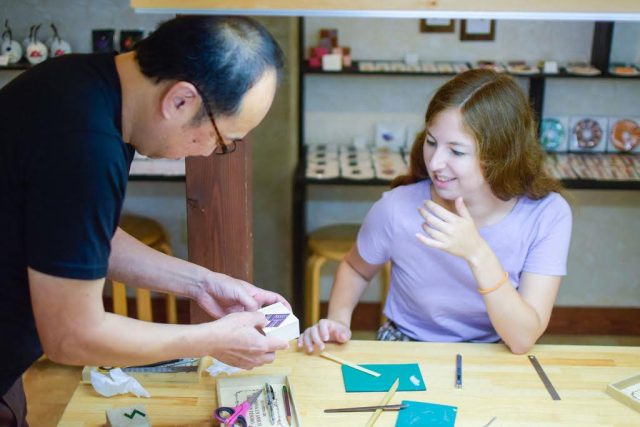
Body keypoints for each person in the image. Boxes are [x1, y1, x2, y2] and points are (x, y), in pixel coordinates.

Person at [0, 16, 290, 425]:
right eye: (222, 141)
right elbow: (71, 335)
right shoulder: (83, 143)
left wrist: (203, 283)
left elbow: (79, 235)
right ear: (180, 101)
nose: (208, 153)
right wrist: (210, 340)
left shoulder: (81, 84)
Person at [299, 69, 573, 356]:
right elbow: (356, 268)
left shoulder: (547, 214)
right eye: (431, 142)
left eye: (456, 151)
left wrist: (476, 252)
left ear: (500, 156)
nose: (436, 162)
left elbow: (521, 339)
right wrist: (338, 319)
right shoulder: (397, 207)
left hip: (496, 351)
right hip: (406, 345)